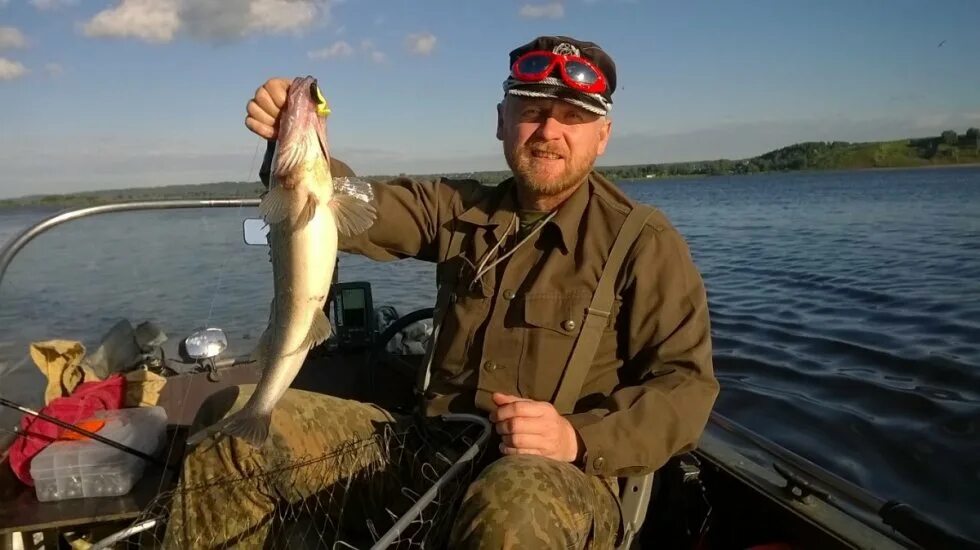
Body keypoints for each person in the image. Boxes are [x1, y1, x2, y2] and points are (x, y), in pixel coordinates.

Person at [165, 35, 718, 549]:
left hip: (560, 478)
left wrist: (575, 436)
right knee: (236, 429)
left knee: (513, 504)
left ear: (602, 137)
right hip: (426, 450)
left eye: (573, 118)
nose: (549, 131)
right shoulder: (456, 208)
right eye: (531, 111)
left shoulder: (643, 242)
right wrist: (293, 133)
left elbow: (685, 388)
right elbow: (357, 210)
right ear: (502, 123)